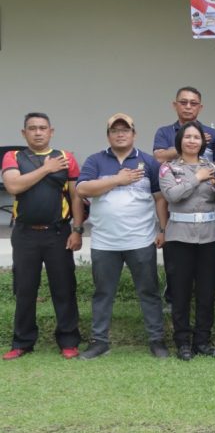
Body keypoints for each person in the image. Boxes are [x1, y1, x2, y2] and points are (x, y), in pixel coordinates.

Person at [76, 113, 168, 360]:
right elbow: (82, 189)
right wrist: (118, 179)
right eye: (115, 130)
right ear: (108, 135)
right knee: (103, 293)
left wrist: (163, 229)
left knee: (149, 291)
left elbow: (160, 199)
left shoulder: (148, 162)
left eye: (125, 130)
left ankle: (157, 340)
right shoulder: (96, 161)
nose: (120, 133)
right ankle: (99, 341)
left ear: (134, 134)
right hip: (105, 241)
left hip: (141, 239)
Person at [2, 113, 84, 360]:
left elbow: (76, 195)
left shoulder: (66, 158)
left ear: (51, 131)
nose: (38, 132)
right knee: (25, 289)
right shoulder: (13, 157)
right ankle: (22, 342)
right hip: (25, 234)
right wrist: (47, 168)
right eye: (32, 128)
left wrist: (78, 229)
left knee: (64, 288)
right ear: (23, 133)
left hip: (58, 233)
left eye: (42, 128)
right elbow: (13, 186)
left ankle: (68, 340)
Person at [159, 121, 215, 361]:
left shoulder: (213, 168)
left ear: (202, 142)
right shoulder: (168, 169)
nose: (192, 141)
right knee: (180, 291)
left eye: (196, 137)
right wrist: (196, 178)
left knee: (207, 291)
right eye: (187, 137)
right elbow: (172, 195)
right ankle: (183, 342)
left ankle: (203, 341)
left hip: (209, 236)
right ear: (180, 141)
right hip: (179, 236)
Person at [153, 86, 215, 163]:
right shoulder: (164, 132)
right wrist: (194, 143)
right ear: (175, 105)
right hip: (173, 175)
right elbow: (159, 158)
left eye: (193, 103)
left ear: (200, 108)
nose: (188, 107)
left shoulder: (212, 133)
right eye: (183, 103)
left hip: (206, 174)